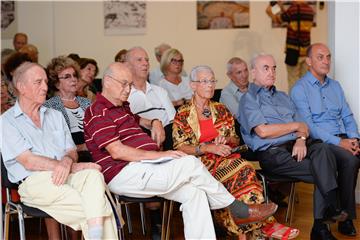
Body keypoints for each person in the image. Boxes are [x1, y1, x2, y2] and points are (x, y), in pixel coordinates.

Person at [83, 61, 278, 239]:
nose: (128, 90)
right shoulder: (97, 111)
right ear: (107, 81)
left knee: (196, 193)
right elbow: (118, 152)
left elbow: (137, 121)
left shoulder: (121, 106)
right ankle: (236, 208)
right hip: (125, 172)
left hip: (146, 167)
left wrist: (155, 121)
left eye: (130, 85)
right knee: (190, 162)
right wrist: (160, 155)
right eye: (124, 84)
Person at [173, 65, 299, 240]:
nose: (210, 85)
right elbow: (180, 146)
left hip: (226, 158)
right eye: (204, 81)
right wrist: (207, 147)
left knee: (242, 179)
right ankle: (266, 225)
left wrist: (225, 140)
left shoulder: (222, 109)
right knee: (244, 168)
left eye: (212, 81)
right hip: (201, 165)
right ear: (193, 85)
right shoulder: (183, 114)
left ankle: (247, 224)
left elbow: (235, 139)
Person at [1, 62, 118, 239]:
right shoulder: (6, 121)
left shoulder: (54, 115)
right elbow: (28, 160)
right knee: (98, 208)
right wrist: (71, 166)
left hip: (65, 176)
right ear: (21, 87)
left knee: (94, 176)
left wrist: (67, 162)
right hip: (34, 182)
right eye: (38, 82)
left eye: (46, 82)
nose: (45, 87)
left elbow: (71, 151)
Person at [238, 53, 349, 240]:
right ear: (253, 72)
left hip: (298, 146)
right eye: (266, 68)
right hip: (273, 153)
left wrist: (301, 138)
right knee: (327, 169)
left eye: (274, 68)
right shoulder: (248, 99)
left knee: (323, 148)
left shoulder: (283, 96)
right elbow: (263, 132)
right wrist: (295, 127)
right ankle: (322, 224)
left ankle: (325, 219)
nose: (271, 72)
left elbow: (304, 125)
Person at [290, 43, 359, 237]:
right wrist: (340, 143)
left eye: (328, 57)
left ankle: (343, 217)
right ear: (309, 61)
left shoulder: (335, 86)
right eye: (320, 57)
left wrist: (353, 138)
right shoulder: (299, 89)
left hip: (342, 138)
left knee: (354, 159)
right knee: (350, 159)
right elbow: (309, 126)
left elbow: (347, 115)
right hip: (318, 142)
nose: (326, 61)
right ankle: (344, 219)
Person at [126, 46, 176, 151]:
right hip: (140, 145)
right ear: (128, 66)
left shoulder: (160, 91)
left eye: (147, 60)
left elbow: (174, 123)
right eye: (139, 60)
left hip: (168, 141)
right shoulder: (124, 95)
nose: (145, 63)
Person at [44, 56, 92, 161]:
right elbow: (53, 143)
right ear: (56, 83)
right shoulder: (49, 106)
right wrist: (81, 147)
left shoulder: (87, 102)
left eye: (74, 75)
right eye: (67, 77)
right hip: (67, 158)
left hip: (93, 152)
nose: (73, 79)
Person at [266, 1, 314, 91]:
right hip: (306, 52)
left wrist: (269, 10)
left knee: (293, 82)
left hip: (293, 52)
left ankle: (294, 104)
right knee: (305, 82)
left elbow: (278, 20)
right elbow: (292, 19)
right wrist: (282, 7)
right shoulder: (310, 10)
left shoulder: (293, 9)